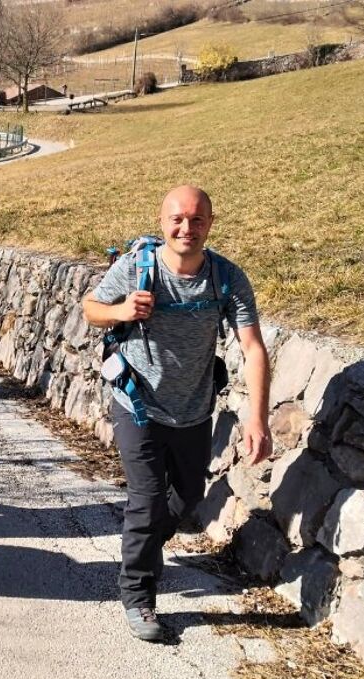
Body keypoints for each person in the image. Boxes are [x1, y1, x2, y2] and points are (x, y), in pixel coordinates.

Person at [81, 185, 272, 642]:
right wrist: (121, 309)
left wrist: (258, 418)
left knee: (186, 501)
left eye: (197, 219)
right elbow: (91, 310)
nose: (187, 228)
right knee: (147, 503)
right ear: (163, 221)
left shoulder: (226, 278)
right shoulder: (137, 267)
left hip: (192, 411)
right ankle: (138, 595)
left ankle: (140, 543)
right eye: (178, 219)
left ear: (210, 223)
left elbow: (252, 346)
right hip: (138, 405)